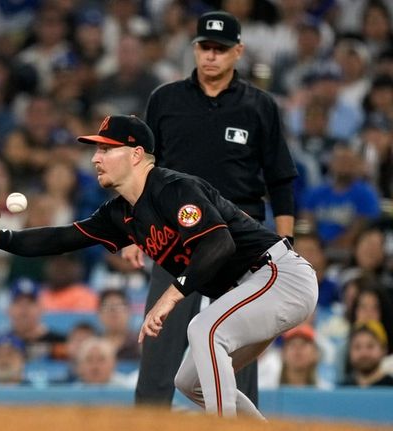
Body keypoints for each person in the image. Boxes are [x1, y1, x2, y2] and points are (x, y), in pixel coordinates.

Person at [0, 115, 317, 417]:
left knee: (203, 330)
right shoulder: (119, 212)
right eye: (96, 150)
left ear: (136, 154)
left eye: (106, 149)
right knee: (190, 382)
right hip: (248, 289)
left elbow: (218, 244)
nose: (96, 158)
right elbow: (62, 238)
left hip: (277, 276)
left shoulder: (174, 187)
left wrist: (169, 297)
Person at [135, 10, 299, 408]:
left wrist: (286, 240)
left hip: (242, 234)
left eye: (220, 49)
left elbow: (279, 178)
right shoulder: (165, 99)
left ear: (238, 51)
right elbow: (142, 170)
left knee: (238, 339)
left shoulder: (259, 106)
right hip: (177, 233)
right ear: (194, 49)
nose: (211, 55)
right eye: (205, 47)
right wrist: (132, 234)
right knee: (162, 333)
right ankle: (146, 421)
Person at [342, 320, 393, 387]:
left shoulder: (390, 387)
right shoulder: (342, 389)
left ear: (384, 350)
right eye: (357, 347)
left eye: (370, 346)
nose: (364, 353)